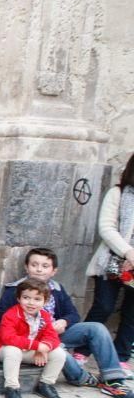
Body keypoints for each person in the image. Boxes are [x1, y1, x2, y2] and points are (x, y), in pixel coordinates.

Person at [0, 248, 134, 398]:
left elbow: (73, 314)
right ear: (27, 267)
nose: (39, 269)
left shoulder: (58, 289)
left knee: (96, 328)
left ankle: (113, 380)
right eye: (34, 265)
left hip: (55, 333)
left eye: (45, 266)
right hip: (29, 339)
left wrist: (64, 321)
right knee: (59, 352)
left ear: (54, 271)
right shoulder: (16, 289)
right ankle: (80, 377)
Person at [0, 278, 67, 398]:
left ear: (45, 301)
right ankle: (12, 388)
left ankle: (46, 384)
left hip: (29, 350)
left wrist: (42, 349)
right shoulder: (11, 315)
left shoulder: (44, 316)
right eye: (26, 298)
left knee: (59, 354)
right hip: (3, 349)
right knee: (13, 350)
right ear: (18, 299)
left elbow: (52, 337)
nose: (31, 303)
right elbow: (8, 338)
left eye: (37, 299)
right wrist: (37, 346)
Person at [84, 154, 134, 371]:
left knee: (132, 313)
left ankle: (120, 357)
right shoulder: (118, 193)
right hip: (111, 261)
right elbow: (106, 227)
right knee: (103, 306)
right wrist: (129, 252)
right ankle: (81, 350)